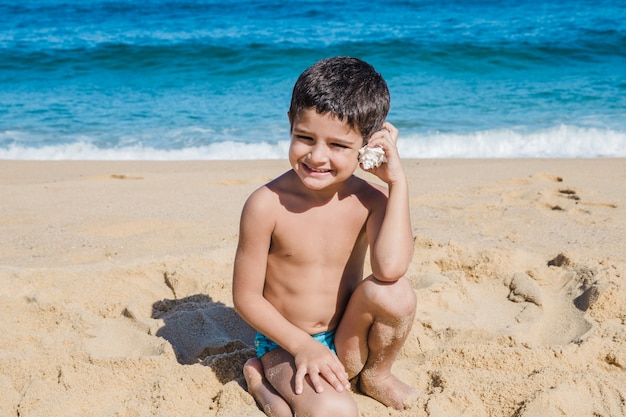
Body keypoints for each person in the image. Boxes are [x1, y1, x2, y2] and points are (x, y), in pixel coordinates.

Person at [232, 56, 417, 417]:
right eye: (304, 138)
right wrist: (302, 346)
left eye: (338, 145)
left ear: (369, 145)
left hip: (348, 338)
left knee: (396, 293)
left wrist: (397, 182)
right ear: (290, 124)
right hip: (285, 345)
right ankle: (261, 384)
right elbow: (246, 298)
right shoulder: (266, 205)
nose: (317, 156)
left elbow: (390, 268)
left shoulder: (369, 200)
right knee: (336, 412)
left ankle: (376, 376)